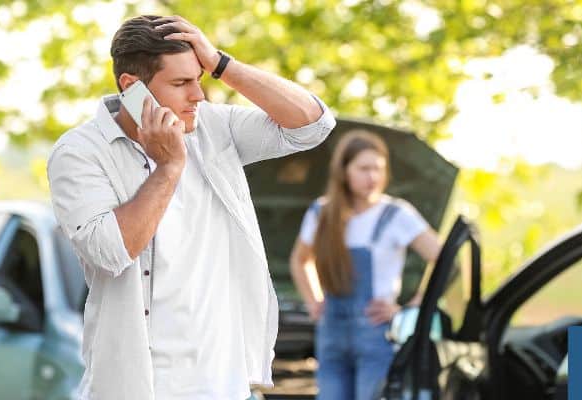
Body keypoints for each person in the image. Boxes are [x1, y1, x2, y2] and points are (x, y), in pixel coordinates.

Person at [47, 15, 336, 400]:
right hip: (141, 388)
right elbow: (110, 252)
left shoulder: (213, 127)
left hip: (227, 387)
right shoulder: (80, 152)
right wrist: (168, 167)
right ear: (132, 88)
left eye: (199, 79)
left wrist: (221, 64)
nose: (198, 95)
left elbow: (313, 125)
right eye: (182, 83)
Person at [288, 130, 441, 400]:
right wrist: (314, 302)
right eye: (364, 168)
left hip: (376, 337)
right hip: (331, 335)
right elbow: (300, 261)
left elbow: (444, 260)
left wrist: (411, 308)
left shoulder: (396, 214)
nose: (373, 177)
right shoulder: (321, 212)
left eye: (378, 169)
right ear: (344, 171)